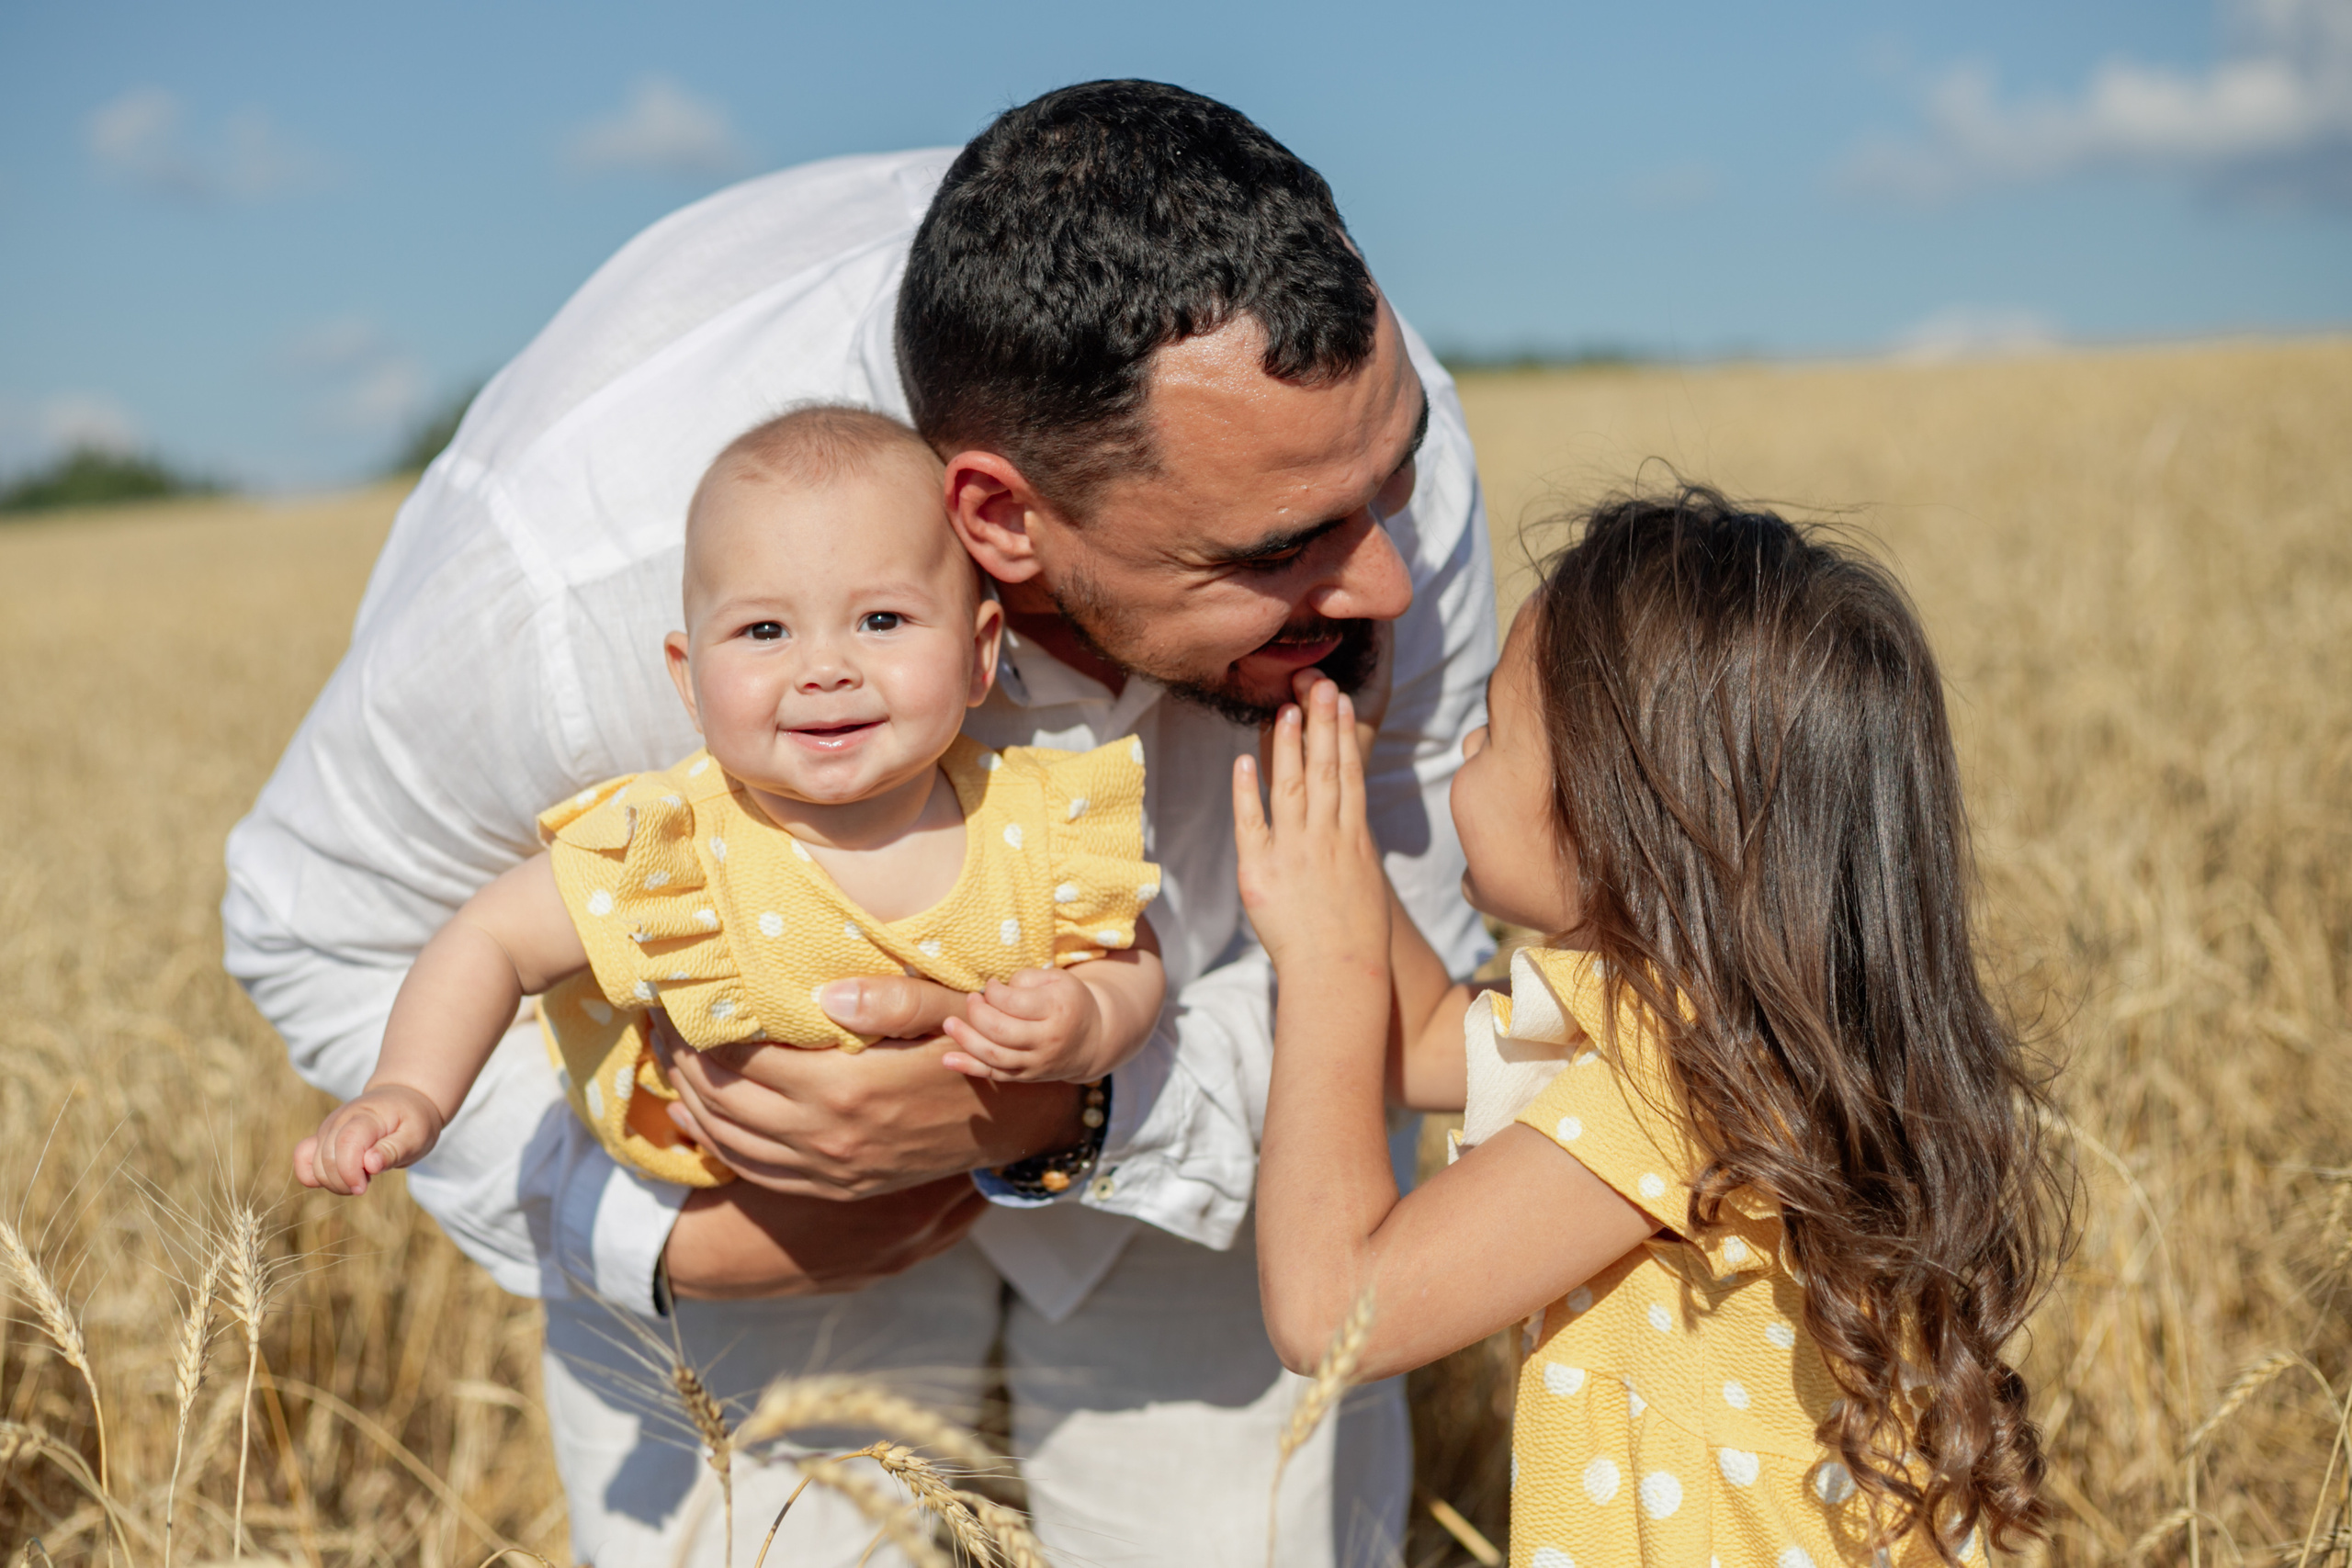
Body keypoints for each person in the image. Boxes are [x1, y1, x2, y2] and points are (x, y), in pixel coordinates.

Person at [222, 81, 1497, 1567]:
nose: (1387, 583)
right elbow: (319, 926)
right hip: (742, 1212)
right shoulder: (566, 580)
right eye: (1279, 552)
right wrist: (676, 1240)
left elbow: (1415, 941)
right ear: (1000, 521)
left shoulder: (1340, 432)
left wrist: (1074, 1107)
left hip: (1216, 1145)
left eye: (1391, 488)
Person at [1236, 491, 2064, 1568]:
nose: (1463, 754)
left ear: (1615, 810)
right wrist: (1343, 815)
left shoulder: (1674, 1086)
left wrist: (1326, 958)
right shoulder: (1715, 1037)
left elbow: (1330, 1312)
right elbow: (1432, 1033)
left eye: (1492, 728)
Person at [292, 405, 1165, 1200]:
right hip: (713, 1195)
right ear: (688, 680)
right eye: (765, 631)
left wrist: (1090, 1025)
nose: (825, 669)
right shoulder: (673, 846)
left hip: (969, 1188)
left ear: (980, 654)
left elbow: (1127, 959)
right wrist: (409, 1086)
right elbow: (492, 942)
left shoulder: (1037, 821)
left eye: (882, 621)